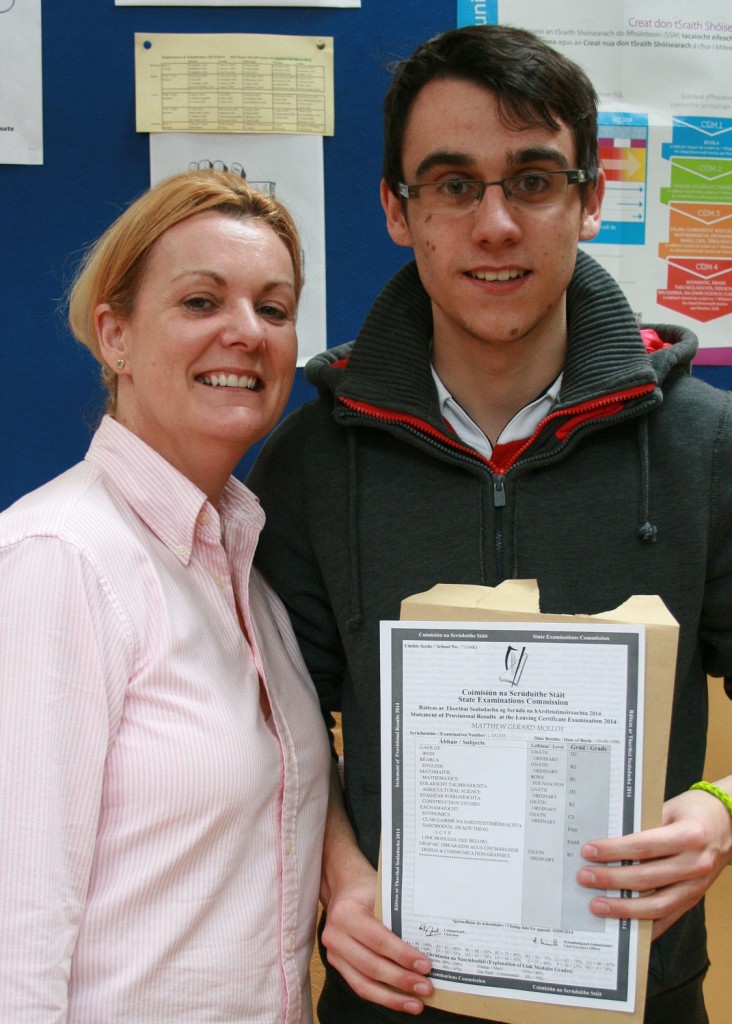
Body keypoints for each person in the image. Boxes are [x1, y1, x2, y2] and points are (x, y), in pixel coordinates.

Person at [247, 24, 732, 1024]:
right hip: (397, 996)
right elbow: (276, 743)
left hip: (638, 994)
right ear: (397, 209)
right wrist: (342, 879)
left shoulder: (705, 446)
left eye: (535, 180)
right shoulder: (312, 459)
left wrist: (721, 814)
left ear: (590, 198)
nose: (496, 224)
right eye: (453, 185)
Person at [0, 169, 331, 1023]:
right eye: (200, 302)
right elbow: (17, 928)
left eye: (275, 307)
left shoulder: (248, 576)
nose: (245, 334)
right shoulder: (59, 558)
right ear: (114, 335)